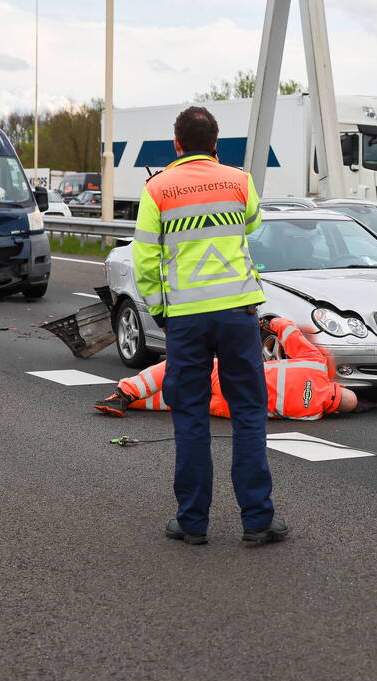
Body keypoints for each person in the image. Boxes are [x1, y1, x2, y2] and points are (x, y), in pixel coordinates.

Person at [132, 105, 284, 547]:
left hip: (185, 318)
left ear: (176, 144)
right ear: (216, 144)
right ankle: (257, 521)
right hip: (238, 313)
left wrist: (161, 308)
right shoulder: (239, 181)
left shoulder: (157, 188)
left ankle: (193, 523)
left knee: (192, 416)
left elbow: (144, 258)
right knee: (249, 413)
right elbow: (254, 223)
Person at [93, 317, 367, 420]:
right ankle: (134, 402)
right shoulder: (311, 414)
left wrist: (271, 323)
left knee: (177, 368)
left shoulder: (317, 367)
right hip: (234, 406)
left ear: (338, 385)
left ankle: (123, 394)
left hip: (235, 376)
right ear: (331, 409)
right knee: (177, 400)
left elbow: (290, 333)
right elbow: (273, 415)